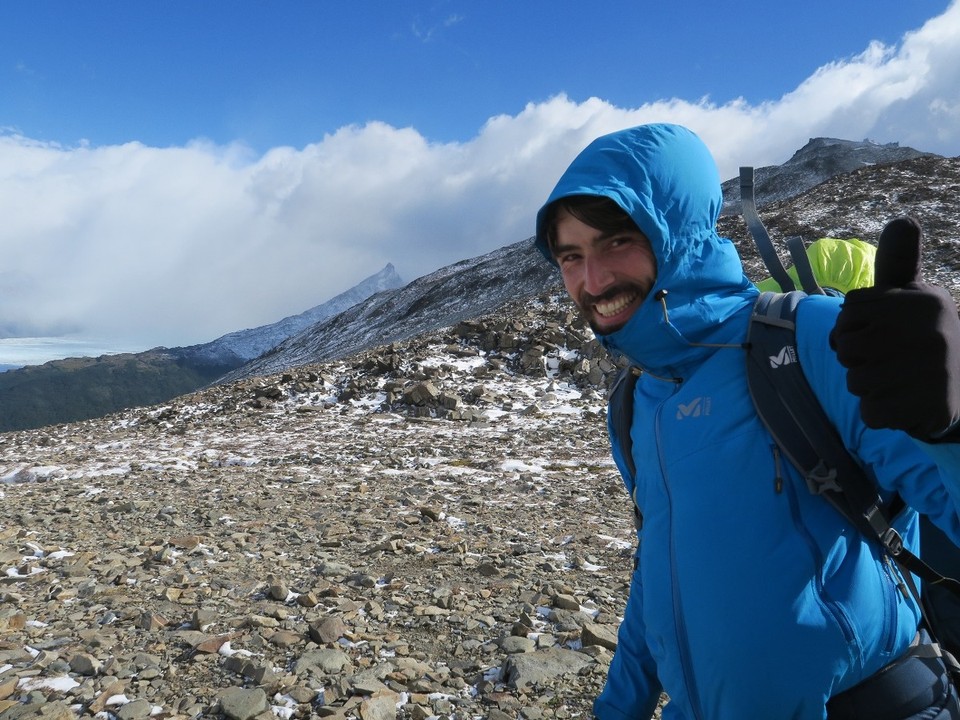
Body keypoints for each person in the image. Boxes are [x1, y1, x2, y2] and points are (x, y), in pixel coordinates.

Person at [533, 123, 960, 720]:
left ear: (676, 234)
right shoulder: (635, 402)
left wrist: (951, 426)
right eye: (571, 256)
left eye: (618, 242)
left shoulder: (808, 340)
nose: (593, 280)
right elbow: (662, 572)